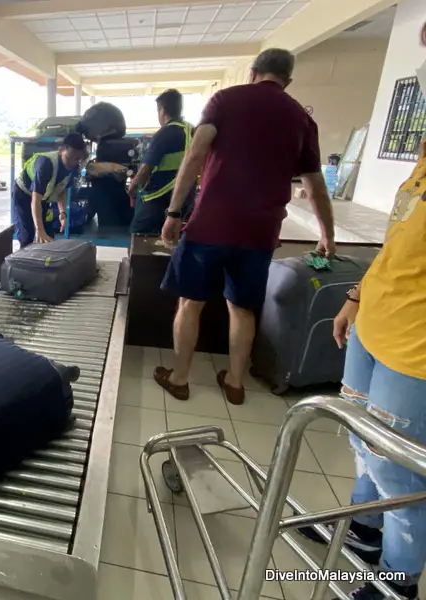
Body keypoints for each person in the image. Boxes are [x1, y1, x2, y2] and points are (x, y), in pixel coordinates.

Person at [297, 23, 426, 600]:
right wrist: (356, 297)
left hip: (418, 348)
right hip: (377, 321)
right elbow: (400, 241)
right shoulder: (424, 155)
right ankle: (365, 530)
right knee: (360, 439)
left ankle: (398, 583)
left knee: (401, 469)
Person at [154, 48, 336, 405]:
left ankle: (179, 378)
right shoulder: (302, 118)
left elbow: (196, 155)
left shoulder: (224, 100)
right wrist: (327, 235)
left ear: (253, 72)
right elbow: (315, 185)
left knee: (190, 303)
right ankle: (235, 383)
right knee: (242, 309)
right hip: (259, 232)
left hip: (210, 225)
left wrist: (174, 212)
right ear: (288, 80)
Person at [128, 89, 195, 234]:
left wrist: (132, 188)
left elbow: (145, 170)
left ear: (162, 110)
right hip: (185, 199)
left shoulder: (165, 133)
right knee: (172, 238)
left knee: (139, 235)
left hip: (159, 200)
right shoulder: (192, 131)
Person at [13, 133, 88, 246]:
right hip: (24, 194)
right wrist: (39, 230)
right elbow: (35, 199)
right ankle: (24, 261)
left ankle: (45, 262)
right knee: (27, 235)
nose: (73, 163)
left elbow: (62, 190)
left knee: (48, 235)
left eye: (77, 159)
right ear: (61, 150)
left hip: (43, 197)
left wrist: (62, 214)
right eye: (69, 158)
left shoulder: (74, 168)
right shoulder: (46, 163)